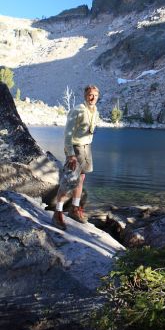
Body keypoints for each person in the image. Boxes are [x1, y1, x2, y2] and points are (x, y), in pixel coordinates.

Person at [52, 85, 100, 230]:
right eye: (90, 95)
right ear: (85, 95)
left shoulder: (95, 111)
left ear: (98, 96)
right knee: (68, 182)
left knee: (81, 179)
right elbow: (67, 134)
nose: (92, 98)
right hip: (75, 149)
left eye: (95, 95)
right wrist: (70, 154)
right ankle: (57, 213)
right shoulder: (77, 110)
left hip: (86, 149)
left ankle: (74, 209)